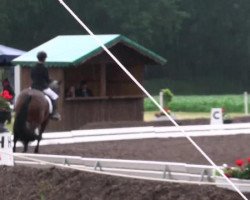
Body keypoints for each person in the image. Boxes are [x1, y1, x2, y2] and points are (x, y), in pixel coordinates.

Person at [30, 51, 61, 121]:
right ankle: (54, 113)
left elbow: (31, 77)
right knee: (54, 96)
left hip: (33, 87)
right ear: (44, 59)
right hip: (42, 87)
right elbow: (47, 79)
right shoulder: (44, 68)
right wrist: (52, 81)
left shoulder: (33, 67)